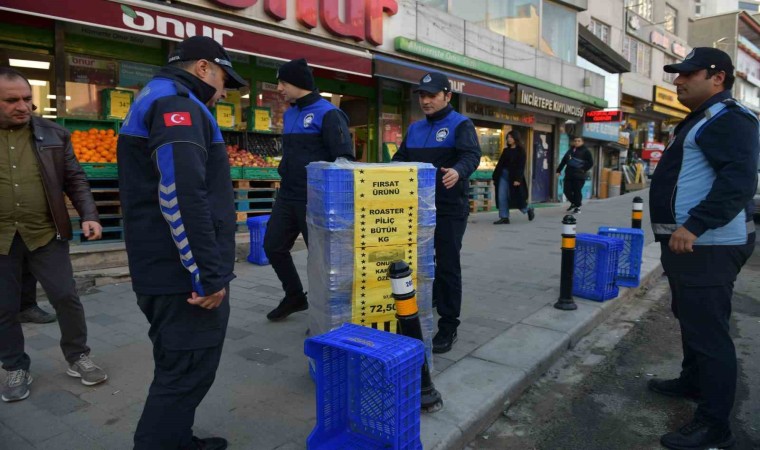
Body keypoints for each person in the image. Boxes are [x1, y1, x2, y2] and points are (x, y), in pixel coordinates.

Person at [117, 36, 246, 450]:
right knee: (186, 371)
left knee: (177, 364)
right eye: (224, 78)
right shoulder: (178, 105)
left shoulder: (156, 96)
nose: (224, 91)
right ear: (204, 68)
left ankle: (176, 439)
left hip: (162, 269)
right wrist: (207, 276)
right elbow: (181, 195)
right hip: (181, 279)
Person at [648, 47, 758, 450]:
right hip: (691, 246)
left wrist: (694, 225)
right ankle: (693, 381)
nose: (678, 81)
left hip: (707, 245)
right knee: (691, 319)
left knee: (709, 334)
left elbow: (739, 182)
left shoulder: (728, 119)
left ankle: (714, 426)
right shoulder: (700, 120)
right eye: (678, 74)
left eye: (687, 74)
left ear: (718, 78)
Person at [0, 67, 107, 403]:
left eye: (27, 99)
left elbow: (75, 178)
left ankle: (78, 356)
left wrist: (89, 215)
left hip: (45, 233)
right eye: (11, 100)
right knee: (3, 308)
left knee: (65, 296)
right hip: (1, 237)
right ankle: (14, 366)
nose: (23, 106)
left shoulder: (54, 134)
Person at [392, 72, 481, 353]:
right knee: (417, 262)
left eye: (432, 95)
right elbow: (400, 158)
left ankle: (448, 325)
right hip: (416, 208)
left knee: (447, 265)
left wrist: (458, 171)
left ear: (447, 96)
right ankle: (419, 304)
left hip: (449, 209)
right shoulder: (415, 128)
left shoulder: (460, 125)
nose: (426, 101)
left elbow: (471, 156)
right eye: (422, 95)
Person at [264, 58, 354, 322]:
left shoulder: (329, 113)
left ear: (299, 83)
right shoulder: (291, 112)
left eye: (283, 82)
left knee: (321, 260)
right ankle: (294, 296)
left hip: (316, 199)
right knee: (273, 246)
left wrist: (334, 204)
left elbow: (344, 161)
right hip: (288, 195)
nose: (279, 87)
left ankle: (324, 314)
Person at [492, 130, 535, 224]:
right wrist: (495, 175)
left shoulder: (521, 151)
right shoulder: (506, 150)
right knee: (501, 196)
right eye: (508, 137)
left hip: (514, 177)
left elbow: (521, 166)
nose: (509, 139)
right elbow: (500, 164)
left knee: (516, 197)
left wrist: (517, 179)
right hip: (503, 175)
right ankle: (504, 217)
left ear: (515, 138)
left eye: (511, 137)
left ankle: (528, 209)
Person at [555, 135, 593, 214]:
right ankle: (574, 203)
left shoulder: (586, 151)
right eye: (575, 141)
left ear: (582, 142)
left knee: (577, 191)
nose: (576, 142)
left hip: (579, 176)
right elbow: (564, 161)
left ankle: (577, 207)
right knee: (566, 191)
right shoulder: (570, 150)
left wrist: (583, 169)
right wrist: (558, 171)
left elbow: (590, 163)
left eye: (579, 141)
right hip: (569, 175)